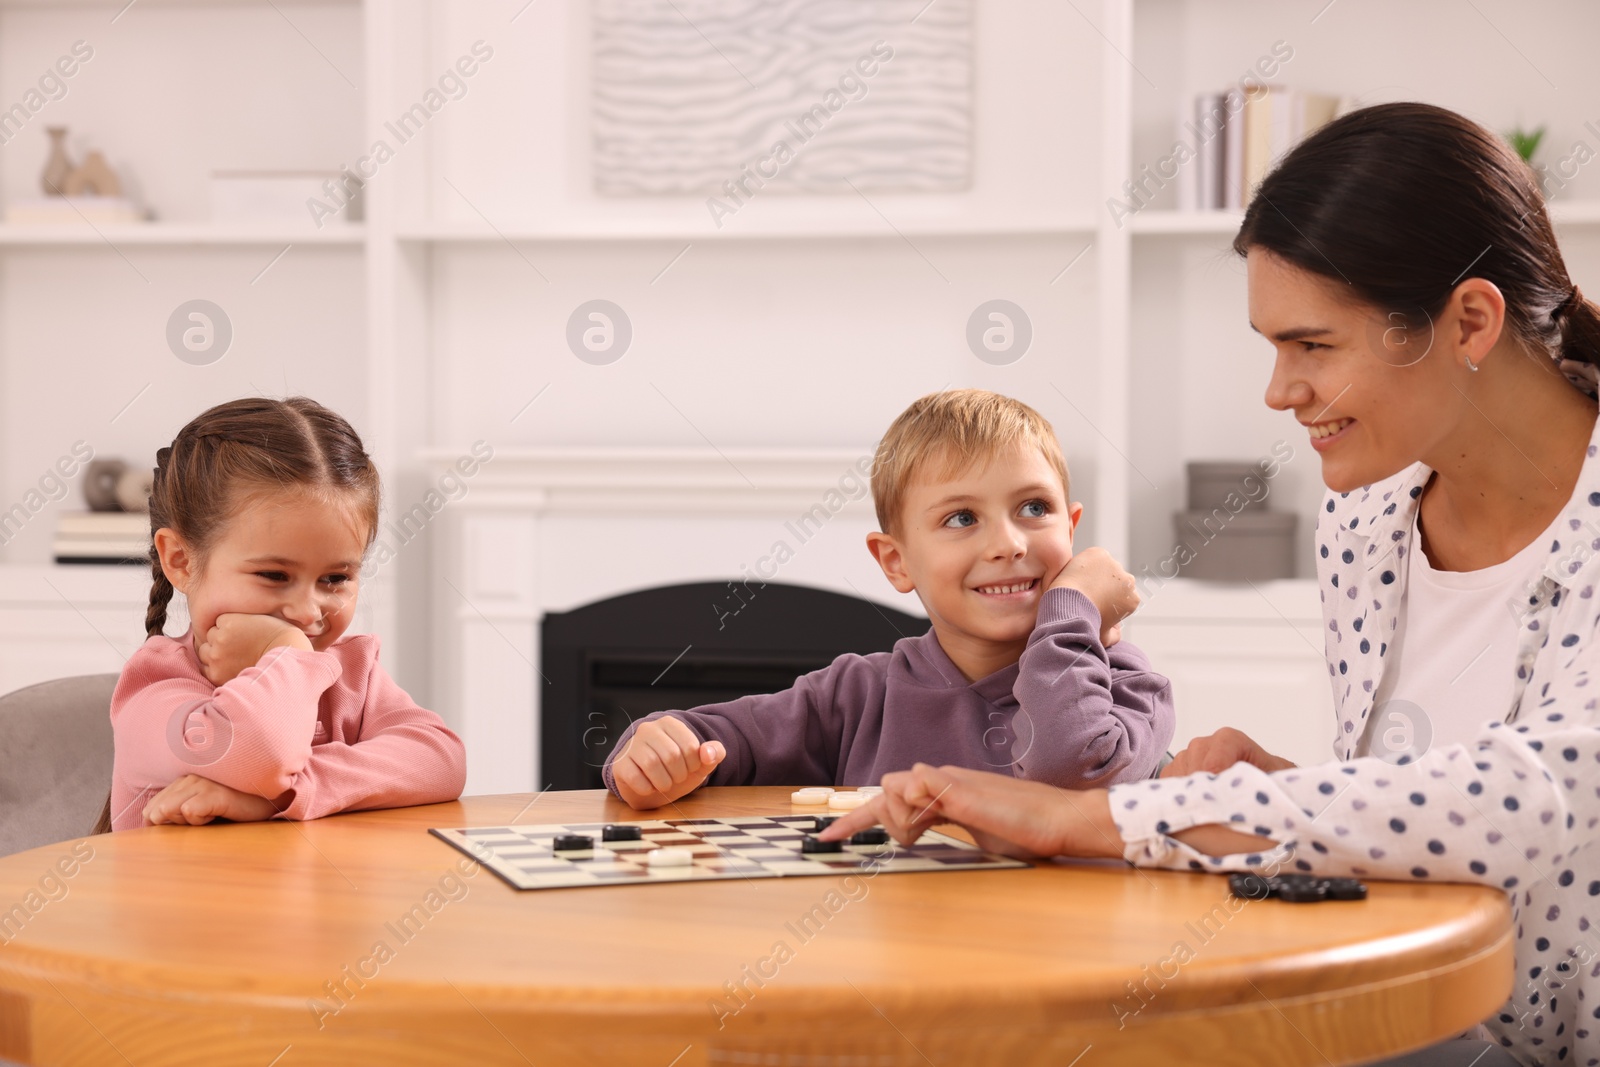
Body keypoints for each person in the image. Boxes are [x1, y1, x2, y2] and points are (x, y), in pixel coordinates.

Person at [824, 102, 1600, 1067]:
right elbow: (1421, 815)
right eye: (1272, 346)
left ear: (1469, 322)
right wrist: (1283, 790)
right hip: (1417, 1013)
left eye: (1313, 346)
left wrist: (1080, 817)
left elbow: (1535, 796)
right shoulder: (1369, 519)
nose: (1279, 390)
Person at [602, 388, 1175, 809]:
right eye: (961, 517)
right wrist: (654, 749)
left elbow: (1071, 773)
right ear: (896, 562)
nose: (1008, 543)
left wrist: (1071, 607)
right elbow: (714, 738)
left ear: (1071, 532)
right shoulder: (856, 697)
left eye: (1034, 508)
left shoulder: (1121, 683)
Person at [99, 397, 466, 832]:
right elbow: (259, 752)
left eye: (335, 578)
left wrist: (285, 796)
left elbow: (439, 760)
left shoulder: (352, 674)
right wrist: (285, 650)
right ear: (180, 560)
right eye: (274, 575)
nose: (307, 611)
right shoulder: (155, 687)